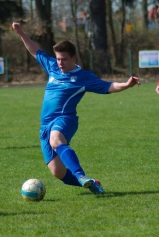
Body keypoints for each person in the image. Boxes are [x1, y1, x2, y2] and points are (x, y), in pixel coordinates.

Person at [12, 22, 140, 194]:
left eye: (64, 59)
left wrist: (126, 84)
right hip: (45, 125)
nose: (60, 62)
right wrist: (21, 33)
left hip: (65, 119)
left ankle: (80, 175)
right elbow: (35, 50)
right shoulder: (52, 67)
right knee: (58, 172)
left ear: (73, 58)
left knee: (56, 140)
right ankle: (91, 183)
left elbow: (108, 86)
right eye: (58, 58)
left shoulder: (83, 77)